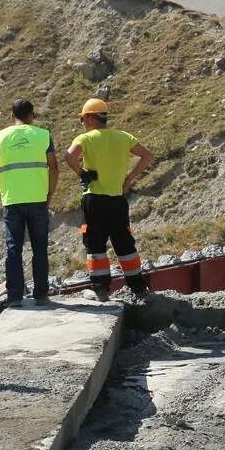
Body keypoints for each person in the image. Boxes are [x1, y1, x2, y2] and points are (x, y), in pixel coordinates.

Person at [66, 98, 153, 301]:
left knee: (95, 243)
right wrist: (129, 179)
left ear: (89, 117)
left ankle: (100, 289)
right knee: (124, 242)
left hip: (94, 199)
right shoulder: (123, 137)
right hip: (117, 199)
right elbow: (148, 156)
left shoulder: (86, 139)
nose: (82, 123)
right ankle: (138, 287)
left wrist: (83, 174)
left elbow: (69, 157)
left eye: (82, 119)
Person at [0, 99, 59, 308]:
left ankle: (14, 298)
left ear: (13, 115)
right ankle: (40, 295)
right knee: (39, 248)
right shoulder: (43, 135)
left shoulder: (0, 138)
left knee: (14, 249)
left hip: (12, 200)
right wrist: (50, 193)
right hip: (38, 198)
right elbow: (54, 167)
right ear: (32, 115)